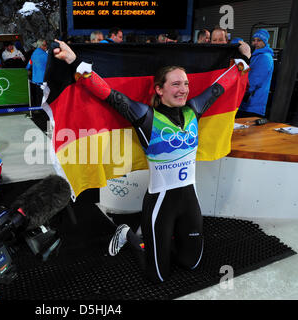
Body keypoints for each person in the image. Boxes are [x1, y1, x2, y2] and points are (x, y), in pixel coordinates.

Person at [52, 39, 251, 283]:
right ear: (159, 89)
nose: (183, 89)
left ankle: (169, 240)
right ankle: (127, 235)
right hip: (160, 205)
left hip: (190, 201)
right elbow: (109, 95)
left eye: (186, 84)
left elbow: (220, 87)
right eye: (176, 84)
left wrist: (244, 59)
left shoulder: (194, 109)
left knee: (192, 264)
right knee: (158, 276)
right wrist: (75, 62)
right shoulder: (145, 116)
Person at [238, 29, 274, 118]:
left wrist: (240, 93)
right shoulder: (255, 56)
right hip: (246, 104)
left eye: (259, 40)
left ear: (265, 42)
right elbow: (244, 73)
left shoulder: (265, 58)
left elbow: (254, 81)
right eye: (254, 40)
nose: (255, 43)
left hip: (253, 106)